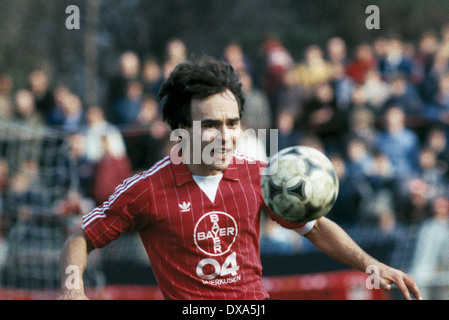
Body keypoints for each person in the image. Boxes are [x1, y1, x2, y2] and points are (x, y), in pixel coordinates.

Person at [58, 56, 421, 300]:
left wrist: (371, 263)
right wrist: (73, 289)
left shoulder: (260, 176)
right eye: (211, 125)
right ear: (182, 130)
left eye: (232, 123)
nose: (226, 135)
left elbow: (315, 227)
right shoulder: (146, 189)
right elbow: (80, 239)